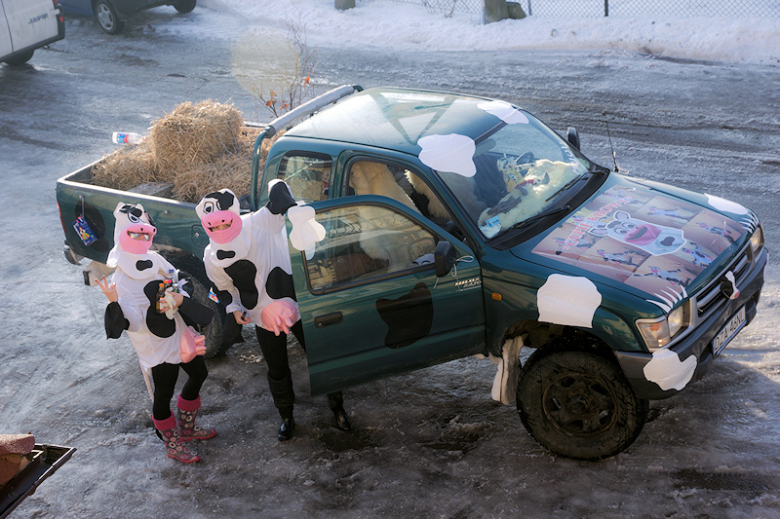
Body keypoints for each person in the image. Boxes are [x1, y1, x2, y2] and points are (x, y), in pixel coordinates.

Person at [196, 182, 350, 441]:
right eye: (214, 226)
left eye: (225, 222)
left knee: (320, 357)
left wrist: (289, 204)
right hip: (261, 315)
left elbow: (279, 194)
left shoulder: (258, 223)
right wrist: (234, 309)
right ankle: (286, 416)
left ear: (234, 214)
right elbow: (223, 288)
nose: (222, 230)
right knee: (277, 369)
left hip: (297, 304)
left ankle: (338, 408)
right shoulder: (212, 255)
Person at [96, 202, 216, 463]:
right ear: (122, 235)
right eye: (134, 233)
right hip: (156, 345)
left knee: (199, 373)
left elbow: (177, 278)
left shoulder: (155, 258)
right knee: (164, 392)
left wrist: (178, 295)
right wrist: (114, 303)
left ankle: (187, 428)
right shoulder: (121, 279)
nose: (141, 238)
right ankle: (172, 444)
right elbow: (134, 322)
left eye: (145, 233)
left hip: (179, 333)